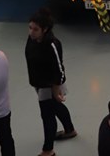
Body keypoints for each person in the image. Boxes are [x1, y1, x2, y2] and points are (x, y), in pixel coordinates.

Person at [25, 9, 76, 156]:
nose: (31, 32)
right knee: (55, 106)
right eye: (30, 28)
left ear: (45, 29)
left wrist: (56, 90)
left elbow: (59, 69)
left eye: (35, 29)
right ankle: (70, 130)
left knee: (47, 115)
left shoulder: (52, 44)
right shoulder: (32, 39)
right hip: (38, 82)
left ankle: (48, 150)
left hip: (49, 85)